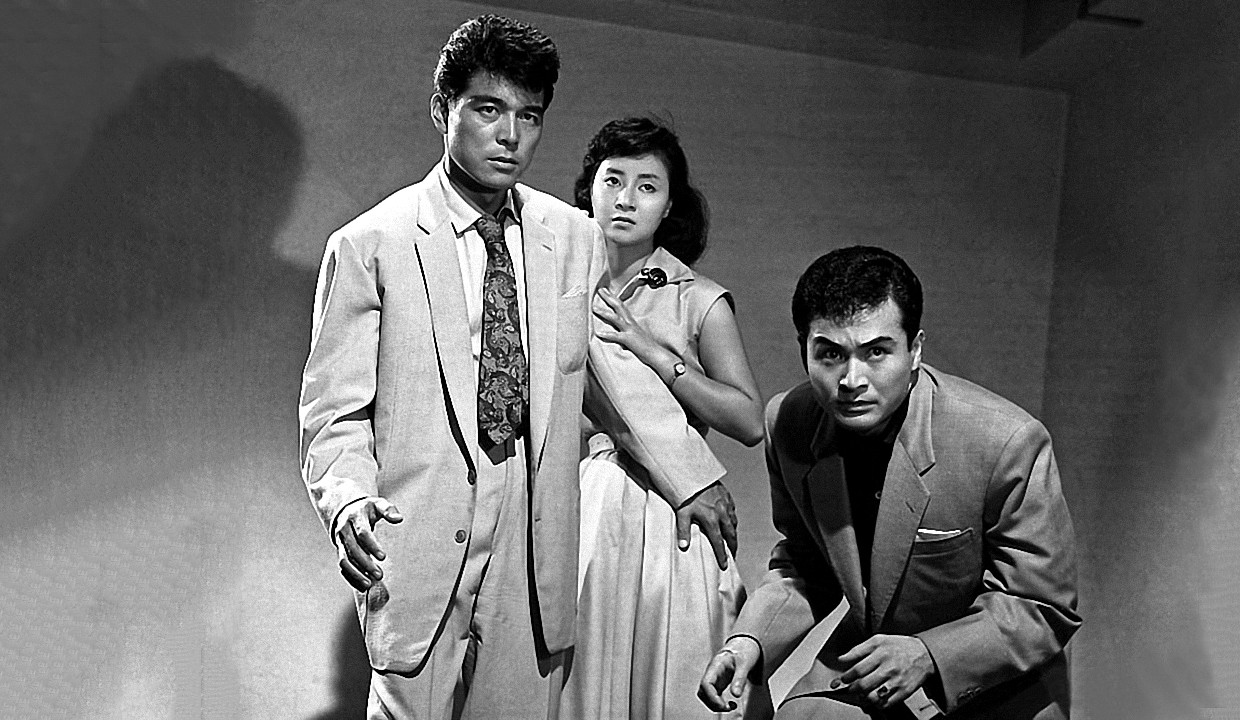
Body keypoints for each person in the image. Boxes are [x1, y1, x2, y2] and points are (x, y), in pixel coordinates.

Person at [298, 15, 604, 720]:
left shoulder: (573, 237)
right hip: (418, 534)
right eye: (489, 110)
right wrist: (347, 502)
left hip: (534, 540)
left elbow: (605, 378)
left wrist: (690, 478)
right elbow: (334, 413)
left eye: (530, 116)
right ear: (444, 110)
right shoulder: (372, 243)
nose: (510, 136)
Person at [699, 246, 1081, 719]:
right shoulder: (789, 422)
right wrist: (746, 642)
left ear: (915, 350)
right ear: (804, 349)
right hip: (870, 669)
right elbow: (806, 563)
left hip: (994, 683)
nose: (851, 380)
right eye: (830, 354)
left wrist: (928, 654)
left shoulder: (1005, 440)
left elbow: (1044, 605)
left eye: (876, 352)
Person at [559, 117, 765, 719]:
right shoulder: (558, 289)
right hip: (589, 507)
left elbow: (749, 421)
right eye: (613, 180)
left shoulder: (700, 298)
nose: (626, 199)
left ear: (670, 204)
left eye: (647, 186)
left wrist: (659, 356)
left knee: (676, 688)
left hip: (675, 514)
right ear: (589, 190)